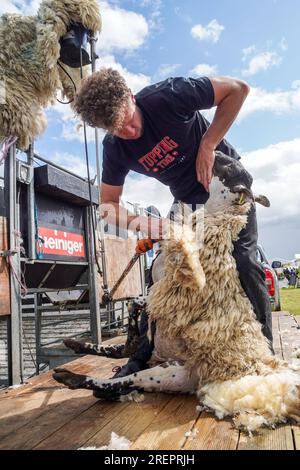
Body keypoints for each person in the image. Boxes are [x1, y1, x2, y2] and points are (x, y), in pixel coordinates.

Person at [74, 68, 274, 374]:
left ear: (132, 97)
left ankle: (267, 350)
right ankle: (140, 357)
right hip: (187, 200)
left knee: (245, 261)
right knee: (161, 275)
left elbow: (238, 89)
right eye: (118, 129)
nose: (129, 132)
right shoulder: (114, 148)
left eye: (129, 120)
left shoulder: (168, 95)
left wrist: (208, 145)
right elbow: (107, 207)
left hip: (225, 184)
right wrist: (146, 225)